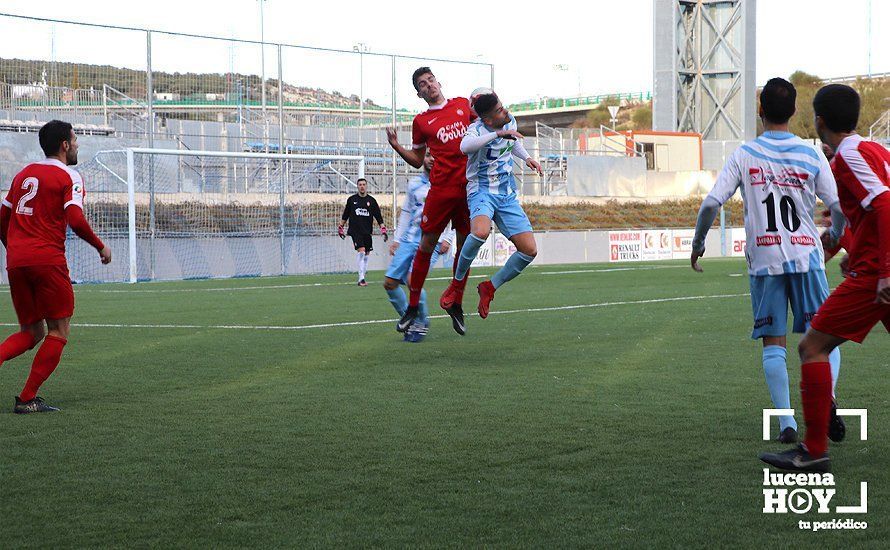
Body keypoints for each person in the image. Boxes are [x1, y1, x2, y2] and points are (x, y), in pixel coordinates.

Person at [690, 78, 846, 444]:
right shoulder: (811, 154)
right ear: (794, 111)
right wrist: (835, 237)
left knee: (773, 344)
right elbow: (837, 206)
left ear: (760, 111)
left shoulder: (744, 155)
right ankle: (829, 399)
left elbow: (711, 203)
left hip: (764, 259)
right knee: (822, 340)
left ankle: (786, 424)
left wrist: (698, 243)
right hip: (806, 256)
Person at [760, 84, 890, 472]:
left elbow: (884, 205)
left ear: (818, 120)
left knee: (812, 346)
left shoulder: (848, 158)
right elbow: (856, 219)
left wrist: (883, 270)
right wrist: (835, 249)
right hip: (872, 265)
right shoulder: (874, 150)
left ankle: (813, 449)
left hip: (877, 274)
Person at [0, 120, 111, 414]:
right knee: (58, 330)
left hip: (16, 262)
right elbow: (74, 218)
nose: (76, 145)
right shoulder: (69, 176)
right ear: (64, 144)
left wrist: (15, 251)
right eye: (74, 140)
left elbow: (3, 218)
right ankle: (27, 398)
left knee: (31, 331)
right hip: (47, 260)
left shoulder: (23, 174)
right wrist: (100, 246)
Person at [385, 67, 474, 335]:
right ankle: (413, 308)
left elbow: (485, 127)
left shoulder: (462, 105)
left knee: (465, 248)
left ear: (438, 81)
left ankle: (456, 302)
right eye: (422, 84)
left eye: (430, 80)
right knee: (426, 246)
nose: (429, 85)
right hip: (441, 190)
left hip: (468, 190)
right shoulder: (422, 122)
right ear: (419, 93)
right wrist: (397, 146)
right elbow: (416, 160)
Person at [449, 92, 543, 320]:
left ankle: (489, 288)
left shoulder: (509, 121)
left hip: (506, 193)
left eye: (503, 106)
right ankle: (456, 284)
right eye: (500, 110)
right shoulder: (477, 130)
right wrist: (497, 134)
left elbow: (513, 142)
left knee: (529, 250)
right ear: (488, 120)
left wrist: (527, 157)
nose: (506, 111)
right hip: (482, 190)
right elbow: (465, 147)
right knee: (480, 232)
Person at [384, 150, 453, 342]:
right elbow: (407, 212)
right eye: (429, 155)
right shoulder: (414, 184)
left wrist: (448, 238)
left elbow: (456, 213)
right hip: (408, 239)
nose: (432, 159)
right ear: (423, 158)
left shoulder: (448, 183)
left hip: (431, 241)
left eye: (436, 155)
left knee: (412, 279)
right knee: (389, 283)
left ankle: (421, 321)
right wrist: (397, 238)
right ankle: (410, 318)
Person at [339, 178, 387, 286]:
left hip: (367, 231)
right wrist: (341, 226)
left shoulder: (372, 201)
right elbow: (345, 214)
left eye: (364, 184)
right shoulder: (352, 200)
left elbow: (378, 216)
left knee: (366, 254)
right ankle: (361, 279)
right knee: (361, 251)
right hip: (355, 231)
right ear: (357, 186)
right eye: (360, 184)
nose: (362, 186)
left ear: (366, 186)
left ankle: (363, 276)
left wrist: (383, 229)